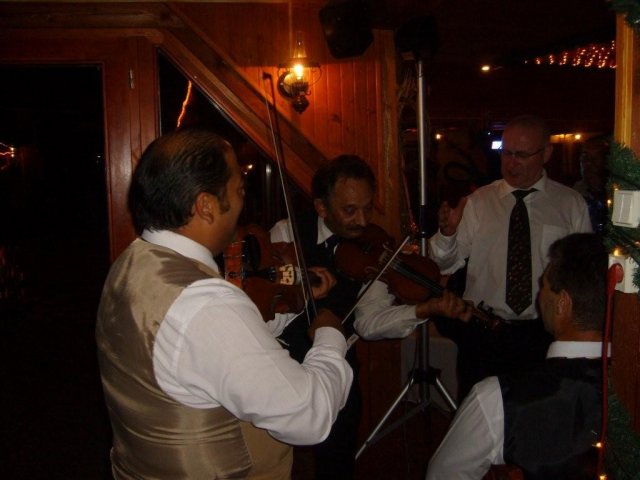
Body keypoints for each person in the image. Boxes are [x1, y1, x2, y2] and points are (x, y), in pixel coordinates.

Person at [95, 129, 354, 480]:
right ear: (206, 206)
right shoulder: (206, 304)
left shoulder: (130, 263)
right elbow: (309, 417)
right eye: (239, 191)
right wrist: (330, 337)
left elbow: (200, 358)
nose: (243, 203)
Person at [270, 154, 472, 479]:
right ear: (321, 207)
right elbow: (267, 303)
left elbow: (368, 323)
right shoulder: (287, 234)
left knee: (338, 464)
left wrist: (423, 309)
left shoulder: (373, 251)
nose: (362, 221)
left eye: (367, 208)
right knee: (275, 462)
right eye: (350, 210)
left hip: (338, 370)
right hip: (282, 365)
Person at [428, 114, 593, 399]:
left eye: (522, 155)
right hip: (483, 332)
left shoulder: (570, 204)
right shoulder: (479, 202)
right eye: (506, 153)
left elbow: (583, 275)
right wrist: (447, 234)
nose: (511, 163)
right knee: (479, 411)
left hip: (543, 334)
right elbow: (443, 264)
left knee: (537, 413)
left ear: (546, 153)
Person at [426, 232, 607, 479]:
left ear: (562, 304)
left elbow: (444, 475)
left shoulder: (498, 398)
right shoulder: (628, 386)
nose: (539, 294)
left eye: (544, 285)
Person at [573, 134, 609, 234]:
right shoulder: (575, 194)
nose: (589, 162)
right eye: (585, 156)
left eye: (597, 157)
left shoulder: (619, 192)